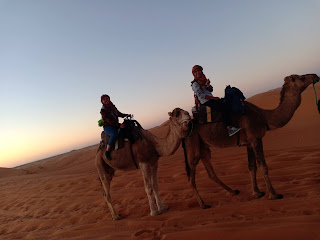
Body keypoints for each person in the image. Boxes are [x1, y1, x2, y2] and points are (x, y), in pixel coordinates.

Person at [191, 65, 241, 137]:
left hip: (210, 99)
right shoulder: (195, 84)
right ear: (194, 74)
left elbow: (211, 90)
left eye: (199, 70)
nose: (198, 72)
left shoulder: (204, 80)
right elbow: (201, 96)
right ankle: (229, 128)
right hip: (205, 101)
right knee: (222, 108)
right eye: (196, 71)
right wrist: (213, 98)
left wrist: (207, 85)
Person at [100, 94, 131, 160]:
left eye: (107, 98)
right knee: (114, 134)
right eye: (104, 99)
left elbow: (118, 113)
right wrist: (119, 125)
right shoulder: (103, 110)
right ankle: (107, 151)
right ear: (102, 101)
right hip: (108, 126)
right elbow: (109, 120)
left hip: (115, 124)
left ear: (109, 99)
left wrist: (126, 115)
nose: (106, 100)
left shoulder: (112, 106)